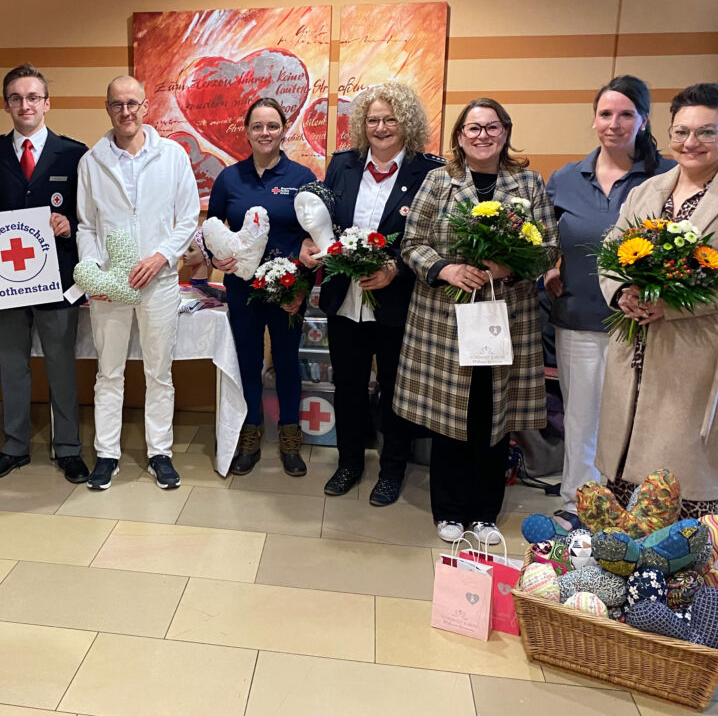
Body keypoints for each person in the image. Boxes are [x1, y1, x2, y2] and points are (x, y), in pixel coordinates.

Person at [596, 83, 718, 517]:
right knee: (621, 497)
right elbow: (611, 250)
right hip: (634, 354)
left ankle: (674, 582)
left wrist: (674, 305)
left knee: (677, 501)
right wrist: (622, 292)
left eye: (705, 132)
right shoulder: (648, 190)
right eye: (681, 132)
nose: (690, 143)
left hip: (698, 359)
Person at [394, 98, 559, 544]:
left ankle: (485, 511)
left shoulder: (528, 182)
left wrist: (506, 268)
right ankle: (448, 508)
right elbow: (412, 243)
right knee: (453, 414)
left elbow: (546, 247)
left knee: (494, 413)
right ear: (459, 136)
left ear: (505, 131)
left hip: (506, 317)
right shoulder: (438, 181)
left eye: (491, 127)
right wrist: (446, 269)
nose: (482, 135)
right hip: (446, 318)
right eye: (473, 128)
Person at [302, 82, 444, 504]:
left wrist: (395, 269)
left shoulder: (429, 172)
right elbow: (325, 225)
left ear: (407, 124)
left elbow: (434, 238)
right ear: (362, 125)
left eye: (390, 119)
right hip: (344, 299)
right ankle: (349, 464)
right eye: (373, 119)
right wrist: (314, 246)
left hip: (399, 302)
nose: (381, 127)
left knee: (396, 387)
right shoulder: (342, 166)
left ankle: (392, 470)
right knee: (347, 385)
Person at [543, 76, 674, 520]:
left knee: (640, 422)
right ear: (593, 119)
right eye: (605, 114)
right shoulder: (565, 177)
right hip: (578, 316)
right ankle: (577, 505)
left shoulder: (667, 177)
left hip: (646, 324)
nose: (614, 124)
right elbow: (545, 238)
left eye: (625, 115)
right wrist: (551, 267)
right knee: (581, 418)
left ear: (644, 120)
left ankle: (636, 510)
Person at [0, 64, 90, 484]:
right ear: (6, 105)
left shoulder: (75, 153)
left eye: (33, 96)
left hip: (57, 276)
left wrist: (69, 223)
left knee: (60, 364)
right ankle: (14, 447)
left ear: (47, 103)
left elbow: (87, 214)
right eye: (16, 98)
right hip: (8, 276)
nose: (25, 104)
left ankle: (68, 447)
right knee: (12, 364)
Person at [76, 75, 200, 490]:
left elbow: (187, 218)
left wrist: (161, 256)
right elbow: (86, 225)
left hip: (158, 281)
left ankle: (159, 452)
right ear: (107, 108)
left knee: (159, 372)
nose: (125, 111)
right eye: (117, 104)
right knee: (108, 372)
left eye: (133, 103)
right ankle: (107, 453)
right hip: (111, 284)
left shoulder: (172, 156)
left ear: (146, 107)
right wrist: (93, 270)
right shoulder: (91, 162)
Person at [209, 97, 317, 477]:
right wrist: (215, 258)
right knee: (248, 363)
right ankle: (250, 434)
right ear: (247, 132)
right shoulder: (229, 178)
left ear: (283, 130)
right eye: (257, 126)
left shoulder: (303, 178)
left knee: (287, 363)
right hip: (242, 289)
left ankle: (291, 438)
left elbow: (317, 238)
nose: (265, 133)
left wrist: (303, 287)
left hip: (288, 290)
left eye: (272, 126)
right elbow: (213, 229)